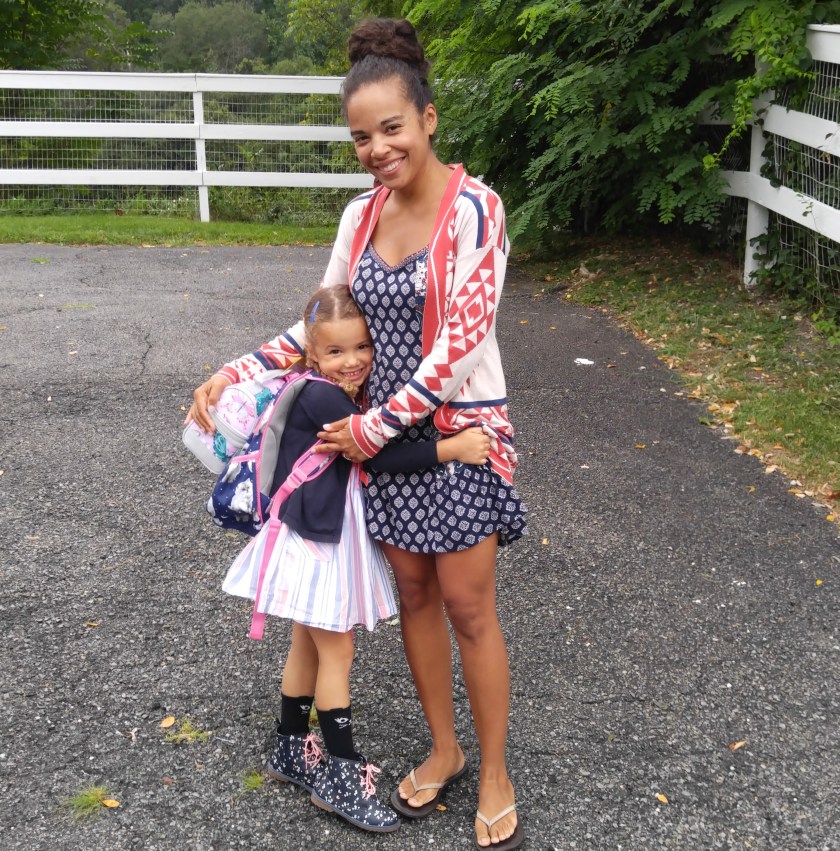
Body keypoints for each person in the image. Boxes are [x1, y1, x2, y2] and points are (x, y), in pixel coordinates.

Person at [187, 18, 527, 850]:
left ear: (429, 119)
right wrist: (236, 369)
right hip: (377, 445)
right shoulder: (359, 216)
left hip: (457, 434)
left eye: (391, 128)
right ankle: (444, 749)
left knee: (468, 606)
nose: (377, 149)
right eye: (361, 137)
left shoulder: (476, 211)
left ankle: (494, 770)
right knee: (414, 597)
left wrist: (372, 426)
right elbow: (321, 329)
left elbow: (459, 346)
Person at [215, 286, 493, 834]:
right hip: (316, 542)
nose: (353, 361)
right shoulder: (326, 399)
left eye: (363, 346)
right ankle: (342, 777)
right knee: (337, 651)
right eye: (336, 351)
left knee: (307, 642)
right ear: (312, 354)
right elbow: (377, 453)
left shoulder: (314, 386)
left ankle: (291, 747)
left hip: (307, 531)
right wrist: (451, 448)